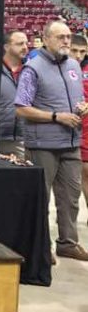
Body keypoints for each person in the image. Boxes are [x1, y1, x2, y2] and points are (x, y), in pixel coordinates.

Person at [16, 21, 88, 261]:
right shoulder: (32, 69)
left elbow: (74, 101)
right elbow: (22, 108)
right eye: (60, 37)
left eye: (68, 37)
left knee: (71, 197)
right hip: (42, 145)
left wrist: (80, 109)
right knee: (41, 198)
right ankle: (40, 247)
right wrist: (57, 117)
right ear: (45, 40)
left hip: (71, 143)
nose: (66, 41)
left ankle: (67, 243)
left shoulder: (75, 67)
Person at [0, 29, 29, 160]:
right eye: (20, 44)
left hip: (21, 138)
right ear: (6, 46)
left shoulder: (31, 71)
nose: (25, 47)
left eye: (26, 43)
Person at [70, 34, 88, 210]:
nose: (78, 55)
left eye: (82, 52)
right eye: (74, 51)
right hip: (68, 128)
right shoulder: (59, 68)